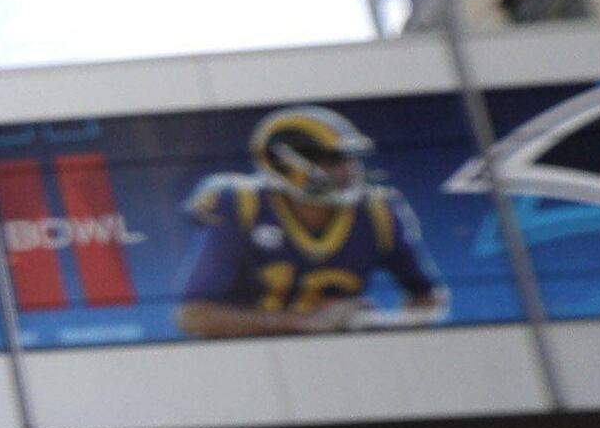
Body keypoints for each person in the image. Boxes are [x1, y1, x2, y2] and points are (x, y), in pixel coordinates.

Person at [178, 105, 449, 338]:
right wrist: (307, 323)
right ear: (286, 163)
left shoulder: (378, 210)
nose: (348, 171)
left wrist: (386, 326)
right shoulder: (241, 204)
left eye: (350, 160)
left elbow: (428, 296)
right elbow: (194, 316)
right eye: (331, 160)